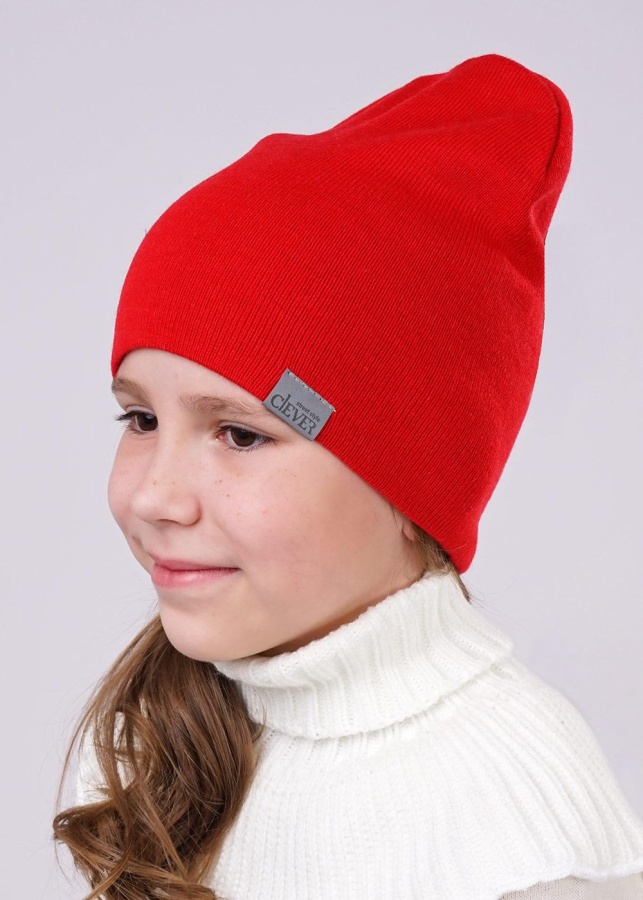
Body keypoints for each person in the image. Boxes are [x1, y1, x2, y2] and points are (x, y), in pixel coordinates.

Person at [53, 53, 643, 899]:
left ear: (413, 486)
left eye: (240, 434)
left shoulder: (512, 828)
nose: (152, 497)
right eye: (140, 420)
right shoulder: (154, 740)